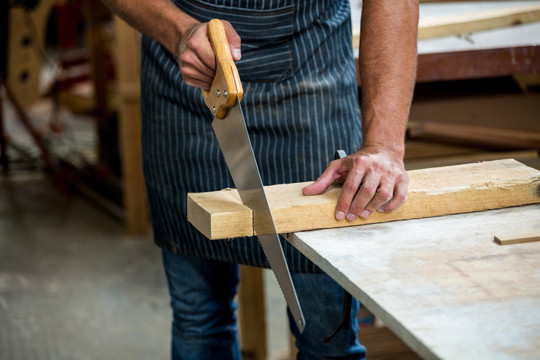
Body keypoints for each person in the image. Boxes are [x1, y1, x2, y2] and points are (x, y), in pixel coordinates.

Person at [101, 0, 418, 359]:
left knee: (327, 338)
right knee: (199, 322)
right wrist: (178, 30)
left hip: (312, 72)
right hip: (186, 79)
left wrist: (384, 145)